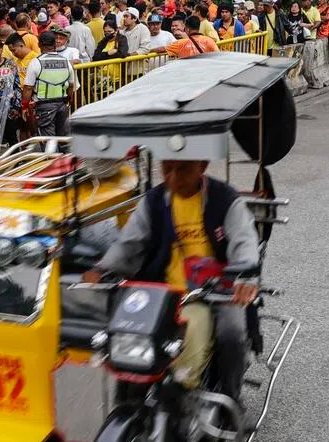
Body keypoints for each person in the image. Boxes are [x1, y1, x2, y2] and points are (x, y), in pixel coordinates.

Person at [81, 158, 260, 405]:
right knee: (125, 334)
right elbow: (128, 244)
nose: (174, 178)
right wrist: (102, 269)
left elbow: (245, 242)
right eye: (167, 169)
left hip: (217, 292)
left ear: (203, 166)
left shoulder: (225, 200)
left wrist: (246, 274)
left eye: (184, 169)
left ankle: (232, 398)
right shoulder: (154, 201)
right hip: (162, 292)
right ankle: (130, 397)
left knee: (232, 334)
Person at [23, 31, 76, 137]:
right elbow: (71, 86)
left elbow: (28, 88)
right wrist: (69, 100)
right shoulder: (66, 62)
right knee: (63, 139)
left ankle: (52, 154)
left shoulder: (36, 62)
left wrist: (25, 106)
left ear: (39, 45)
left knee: (48, 140)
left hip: (44, 107)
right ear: (55, 44)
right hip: (62, 104)